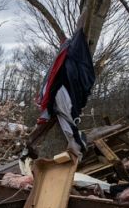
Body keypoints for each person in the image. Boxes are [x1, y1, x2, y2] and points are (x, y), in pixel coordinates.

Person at [27, 29, 94, 158]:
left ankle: (76, 146)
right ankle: (77, 146)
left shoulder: (70, 57)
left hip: (62, 97)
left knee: (68, 122)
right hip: (61, 96)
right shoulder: (68, 58)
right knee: (68, 122)